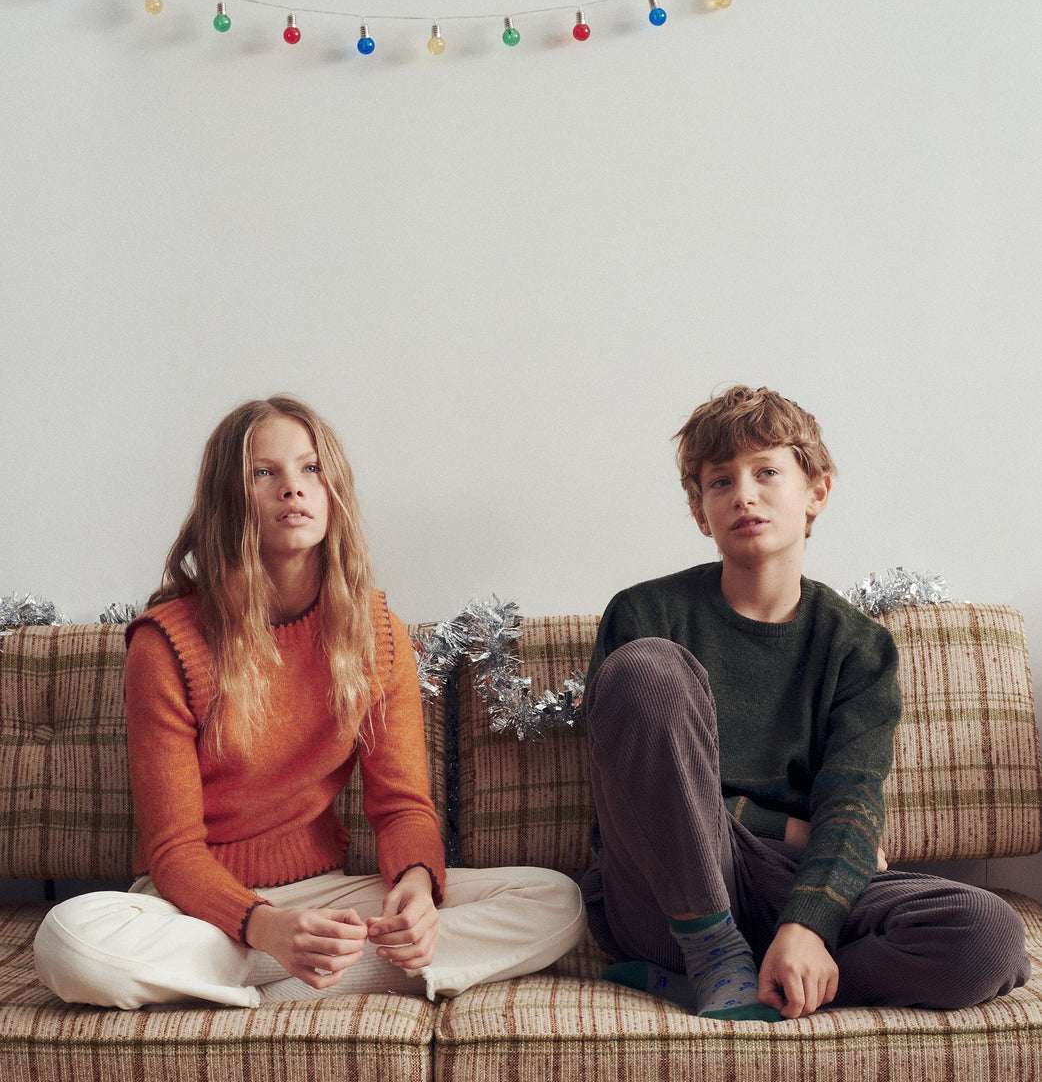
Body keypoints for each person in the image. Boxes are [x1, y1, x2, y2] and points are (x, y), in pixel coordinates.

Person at [34, 395, 585, 1009]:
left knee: (554, 901)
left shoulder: (374, 632)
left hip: (325, 898)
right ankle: (302, 975)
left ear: (332, 490)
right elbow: (173, 851)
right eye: (263, 472)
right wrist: (266, 928)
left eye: (310, 468)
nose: (292, 488)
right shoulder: (167, 644)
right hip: (196, 907)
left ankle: (272, 976)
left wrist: (415, 885)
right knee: (70, 941)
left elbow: (402, 806)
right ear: (227, 498)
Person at [581, 385, 1029, 1022]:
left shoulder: (859, 648)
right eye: (720, 481)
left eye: (766, 472)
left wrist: (808, 925)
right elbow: (633, 795)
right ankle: (713, 954)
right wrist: (791, 825)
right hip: (664, 892)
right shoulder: (644, 614)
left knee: (988, 936)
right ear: (700, 511)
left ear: (816, 491)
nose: (744, 494)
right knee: (646, 669)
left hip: (788, 879)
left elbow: (851, 804)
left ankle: (749, 978)